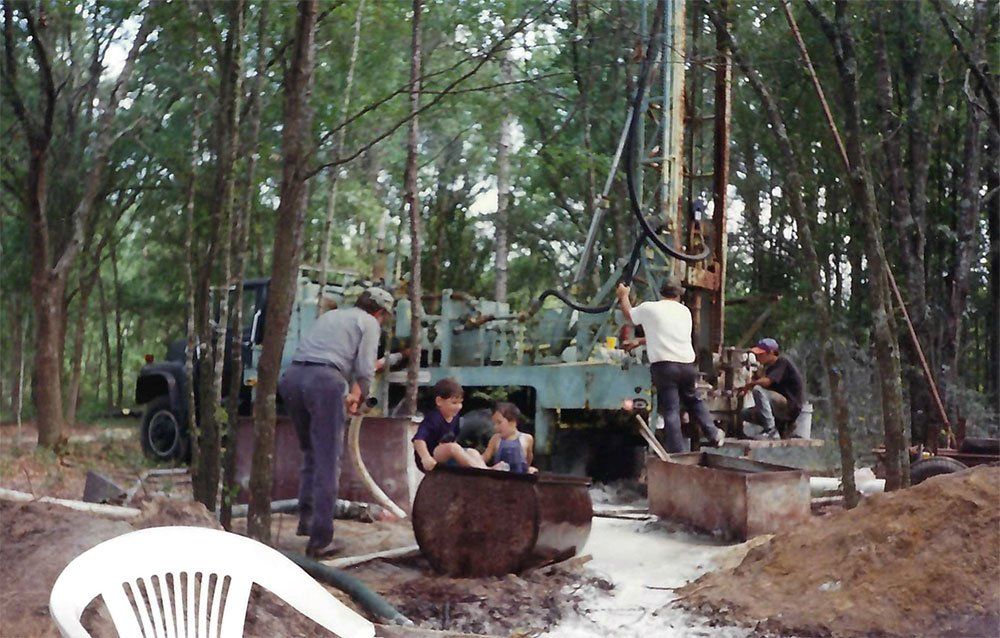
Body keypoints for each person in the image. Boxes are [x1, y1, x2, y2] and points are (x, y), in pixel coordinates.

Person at [278, 287, 395, 559]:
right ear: (379, 312)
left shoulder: (332, 316)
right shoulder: (369, 323)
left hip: (292, 378)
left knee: (311, 452)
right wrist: (360, 396)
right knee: (328, 460)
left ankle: (307, 520)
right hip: (325, 382)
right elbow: (365, 369)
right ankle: (321, 541)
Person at [616, 277, 725, 453]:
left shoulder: (650, 308)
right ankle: (714, 434)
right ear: (679, 295)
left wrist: (623, 295)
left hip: (665, 367)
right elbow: (666, 334)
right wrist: (640, 341)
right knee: (693, 400)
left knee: (671, 409)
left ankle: (677, 452)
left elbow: (629, 314)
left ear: (661, 293)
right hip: (687, 366)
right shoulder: (685, 312)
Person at [412, 378, 487, 472]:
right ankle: (478, 471)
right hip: (431, 456)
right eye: (454, 403)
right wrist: (425, 457)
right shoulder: (433, 418)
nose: (459, 407)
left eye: (460, 402)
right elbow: (418, 440)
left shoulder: (455, 418)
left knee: (473, 452)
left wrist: (461, 454)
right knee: (453, 448)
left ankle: (485, 469)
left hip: (446, 454)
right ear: (439, 401)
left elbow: (453, 439)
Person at [739, 338, 804, 440]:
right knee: (743, 413)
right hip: (777, 407)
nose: (758, 357)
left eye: (761, 354)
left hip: (789, 407)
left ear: (771, 353)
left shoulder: (781, 362)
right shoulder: (767, 366)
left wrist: (751, 384)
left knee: (757, 390)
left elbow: (767, 382)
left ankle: (770, 429)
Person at [482, 402, 537, 474]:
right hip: (499, 478)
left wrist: (529, 470)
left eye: (499, 422)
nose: (495, 427)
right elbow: (483, 459)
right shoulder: (495, 439)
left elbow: (528, 460)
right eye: (494, 423)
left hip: (519, 479)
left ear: (513, 422)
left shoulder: (527, 438)